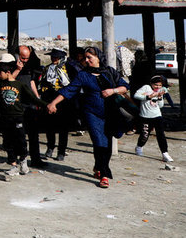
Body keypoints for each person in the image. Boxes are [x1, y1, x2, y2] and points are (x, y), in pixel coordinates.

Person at [47, 47, 130, 188]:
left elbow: (125, 86)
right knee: (99, 142)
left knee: (108, 143)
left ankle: (99, 166)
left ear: (98, 57)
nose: (86, 60)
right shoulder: (83, 75)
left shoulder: (109, 71)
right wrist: (53, 102)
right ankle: (104, 175)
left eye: (89, 57)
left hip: (110, 113)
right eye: (85, 57)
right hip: (91, 113)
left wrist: (112, 91)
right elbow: (69, 89)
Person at [0, 53, 47, 176]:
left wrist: (46, 105)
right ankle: (13, 165)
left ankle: (23, 161)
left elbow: (33, 98)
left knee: (21, 140)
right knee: (7, 142)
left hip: (18, 117)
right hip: (5, 117)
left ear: (7, 72)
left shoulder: (19, 84)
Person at [15, 45, 46, 168]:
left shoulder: (30, 65)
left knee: (34, 133)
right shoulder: (11, 64)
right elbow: (9, 79)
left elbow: (32, 81)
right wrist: (17, 69)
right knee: (19, 133)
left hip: (30, 103)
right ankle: (20, 159)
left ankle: (36, 159)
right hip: (18, 102)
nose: (25, 61)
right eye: (23, 58)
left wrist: (37, 97)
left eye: (27, 58)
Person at [134, 75, 174, 162]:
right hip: (145, 116)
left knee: (161, 135)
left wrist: (160, 98)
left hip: (157, 115)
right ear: (151, 84)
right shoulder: (146, 87)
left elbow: (161, 105)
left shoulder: (161, 90)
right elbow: (136, 95)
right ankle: (139, 147)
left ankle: (165, 153)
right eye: (156, 85)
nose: (157, 87)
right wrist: (148, 97)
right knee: (145, 135)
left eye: (160, 85)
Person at [40, 49, 71, 161]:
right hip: (49, 98)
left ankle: (61, 152)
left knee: (63, 128)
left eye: (56, 57)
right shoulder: (47, 68)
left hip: (63, 99)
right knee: (49, 126)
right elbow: (43, 83)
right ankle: (50, 148)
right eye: (52, 57)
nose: (53, 59)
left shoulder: (67, 69)